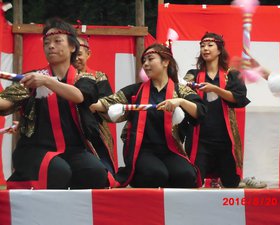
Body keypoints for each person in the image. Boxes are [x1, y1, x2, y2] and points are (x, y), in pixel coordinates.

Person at [0, 18, 113, 189]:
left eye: (57, 41)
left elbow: (78, 96)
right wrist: (42, 79)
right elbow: (6, 103)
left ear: (73, 47)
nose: (50, 46)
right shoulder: (33, 78)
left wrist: (46, 81)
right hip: (36, 149)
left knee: (95, 172)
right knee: (59, 171)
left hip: (74, 149)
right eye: (46, 43)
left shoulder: (84, 79)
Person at [90, 43, 207, 188]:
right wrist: (94, 105)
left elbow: (199, 111)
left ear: (165, 62)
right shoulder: (136, 90)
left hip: (171, 148)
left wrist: (180, 101)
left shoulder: (180, 91)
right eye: (144, 61)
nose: (145, 64)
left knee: (186, 175)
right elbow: (110, 102)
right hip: (142, 149)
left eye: (150, 59)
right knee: (156, 174)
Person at [183, 32, 251, 188]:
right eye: (202, 46)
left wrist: (216, 89)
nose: (205, 49)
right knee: (194, 181)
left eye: (209, 45)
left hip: (224, 138)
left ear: (219, 50)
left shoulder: (231, 74)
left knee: (231, 183)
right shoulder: (193, 75)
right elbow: (181, 87)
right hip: (200, 138)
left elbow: (239, 98)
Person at [74, 36, 116, 174]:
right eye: (73, 54)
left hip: (95, 129)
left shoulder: (99, 76)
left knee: (105, 171)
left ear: (88, 54)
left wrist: (95, 106)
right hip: (69, 128)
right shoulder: (60, 78)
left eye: (79, 54)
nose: (76, 58)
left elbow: (110, 101)